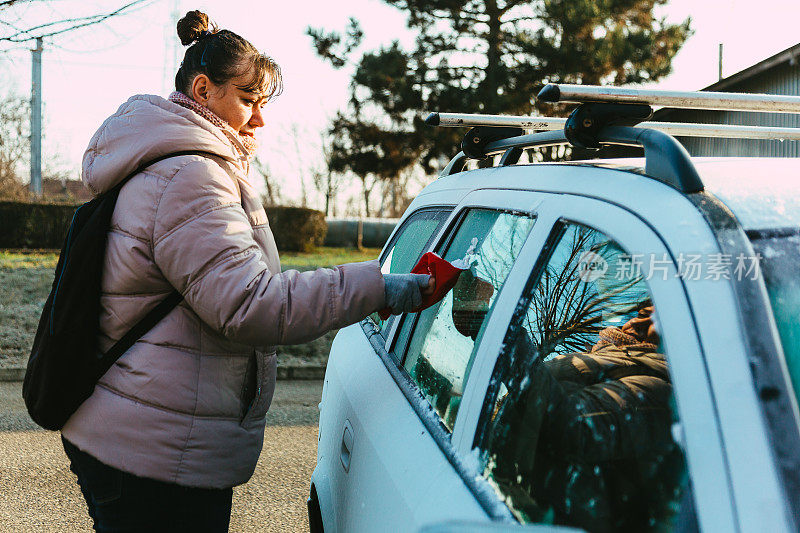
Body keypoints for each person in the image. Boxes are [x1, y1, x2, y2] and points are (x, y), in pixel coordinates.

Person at [60, 10, 432, 532]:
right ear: (204, 89)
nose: (259, 120)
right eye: (249, 101)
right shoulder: (190, 176)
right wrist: (378, 286)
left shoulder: (165, 160)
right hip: (155, 455)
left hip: (137, 433)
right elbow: (250, 305)